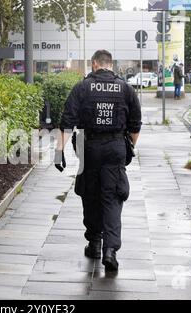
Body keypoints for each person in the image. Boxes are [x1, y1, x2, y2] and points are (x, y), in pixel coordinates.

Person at [54, 50, 142, 272]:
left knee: (90, 194)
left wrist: (59, 152)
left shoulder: (82, 87)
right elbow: (135, 125)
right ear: (110, 65)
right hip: (115, 148)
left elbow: (68, 121)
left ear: (94, 64)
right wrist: (128, 147)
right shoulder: (125, 88)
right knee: (112, 198)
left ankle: (94, 243)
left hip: (88, 147)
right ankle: (110, 250)